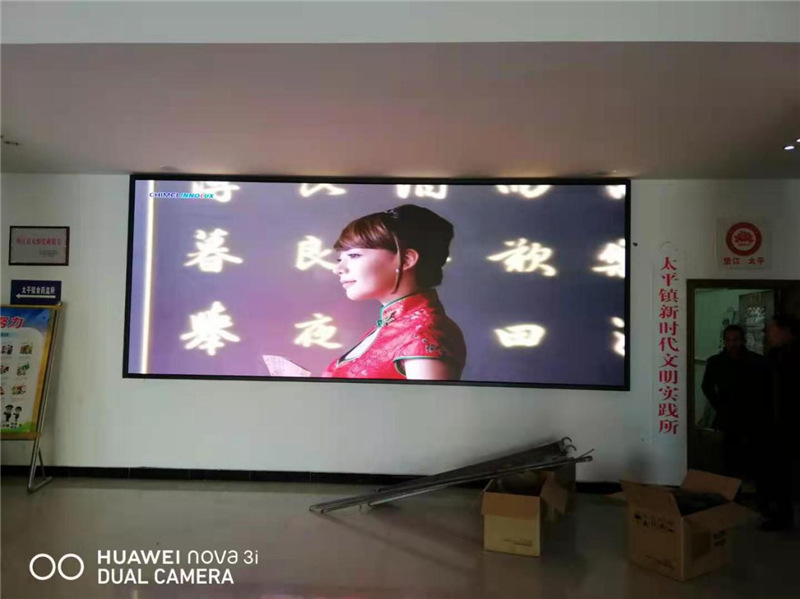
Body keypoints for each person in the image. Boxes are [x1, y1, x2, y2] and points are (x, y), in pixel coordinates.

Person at [322, 204, 466, 380]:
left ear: (406, 260)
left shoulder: (423, 331)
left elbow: (432, 399)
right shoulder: (394, 325)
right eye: (340, 259)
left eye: (354, 255)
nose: (338, 269)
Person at [701, 324, 767, 477]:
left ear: (743, 340)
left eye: (735, 340)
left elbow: (765, 388)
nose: (732, 344)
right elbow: (707, 387)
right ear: (724, 342)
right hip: (727, 414)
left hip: (752, 415)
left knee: (751, 456)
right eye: (728, 340)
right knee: (728, 456)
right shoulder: (715, 362)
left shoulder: (757, 362)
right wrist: (720, 406)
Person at [758, 314, 800, 531]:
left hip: (791, 424)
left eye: (772, 329)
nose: (769, 333)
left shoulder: (793, 356)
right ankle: (779, 513)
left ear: (786, 331)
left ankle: (783, 514)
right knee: (778, 471)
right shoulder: (774, 355)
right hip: (774, 425)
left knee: (788, 472)